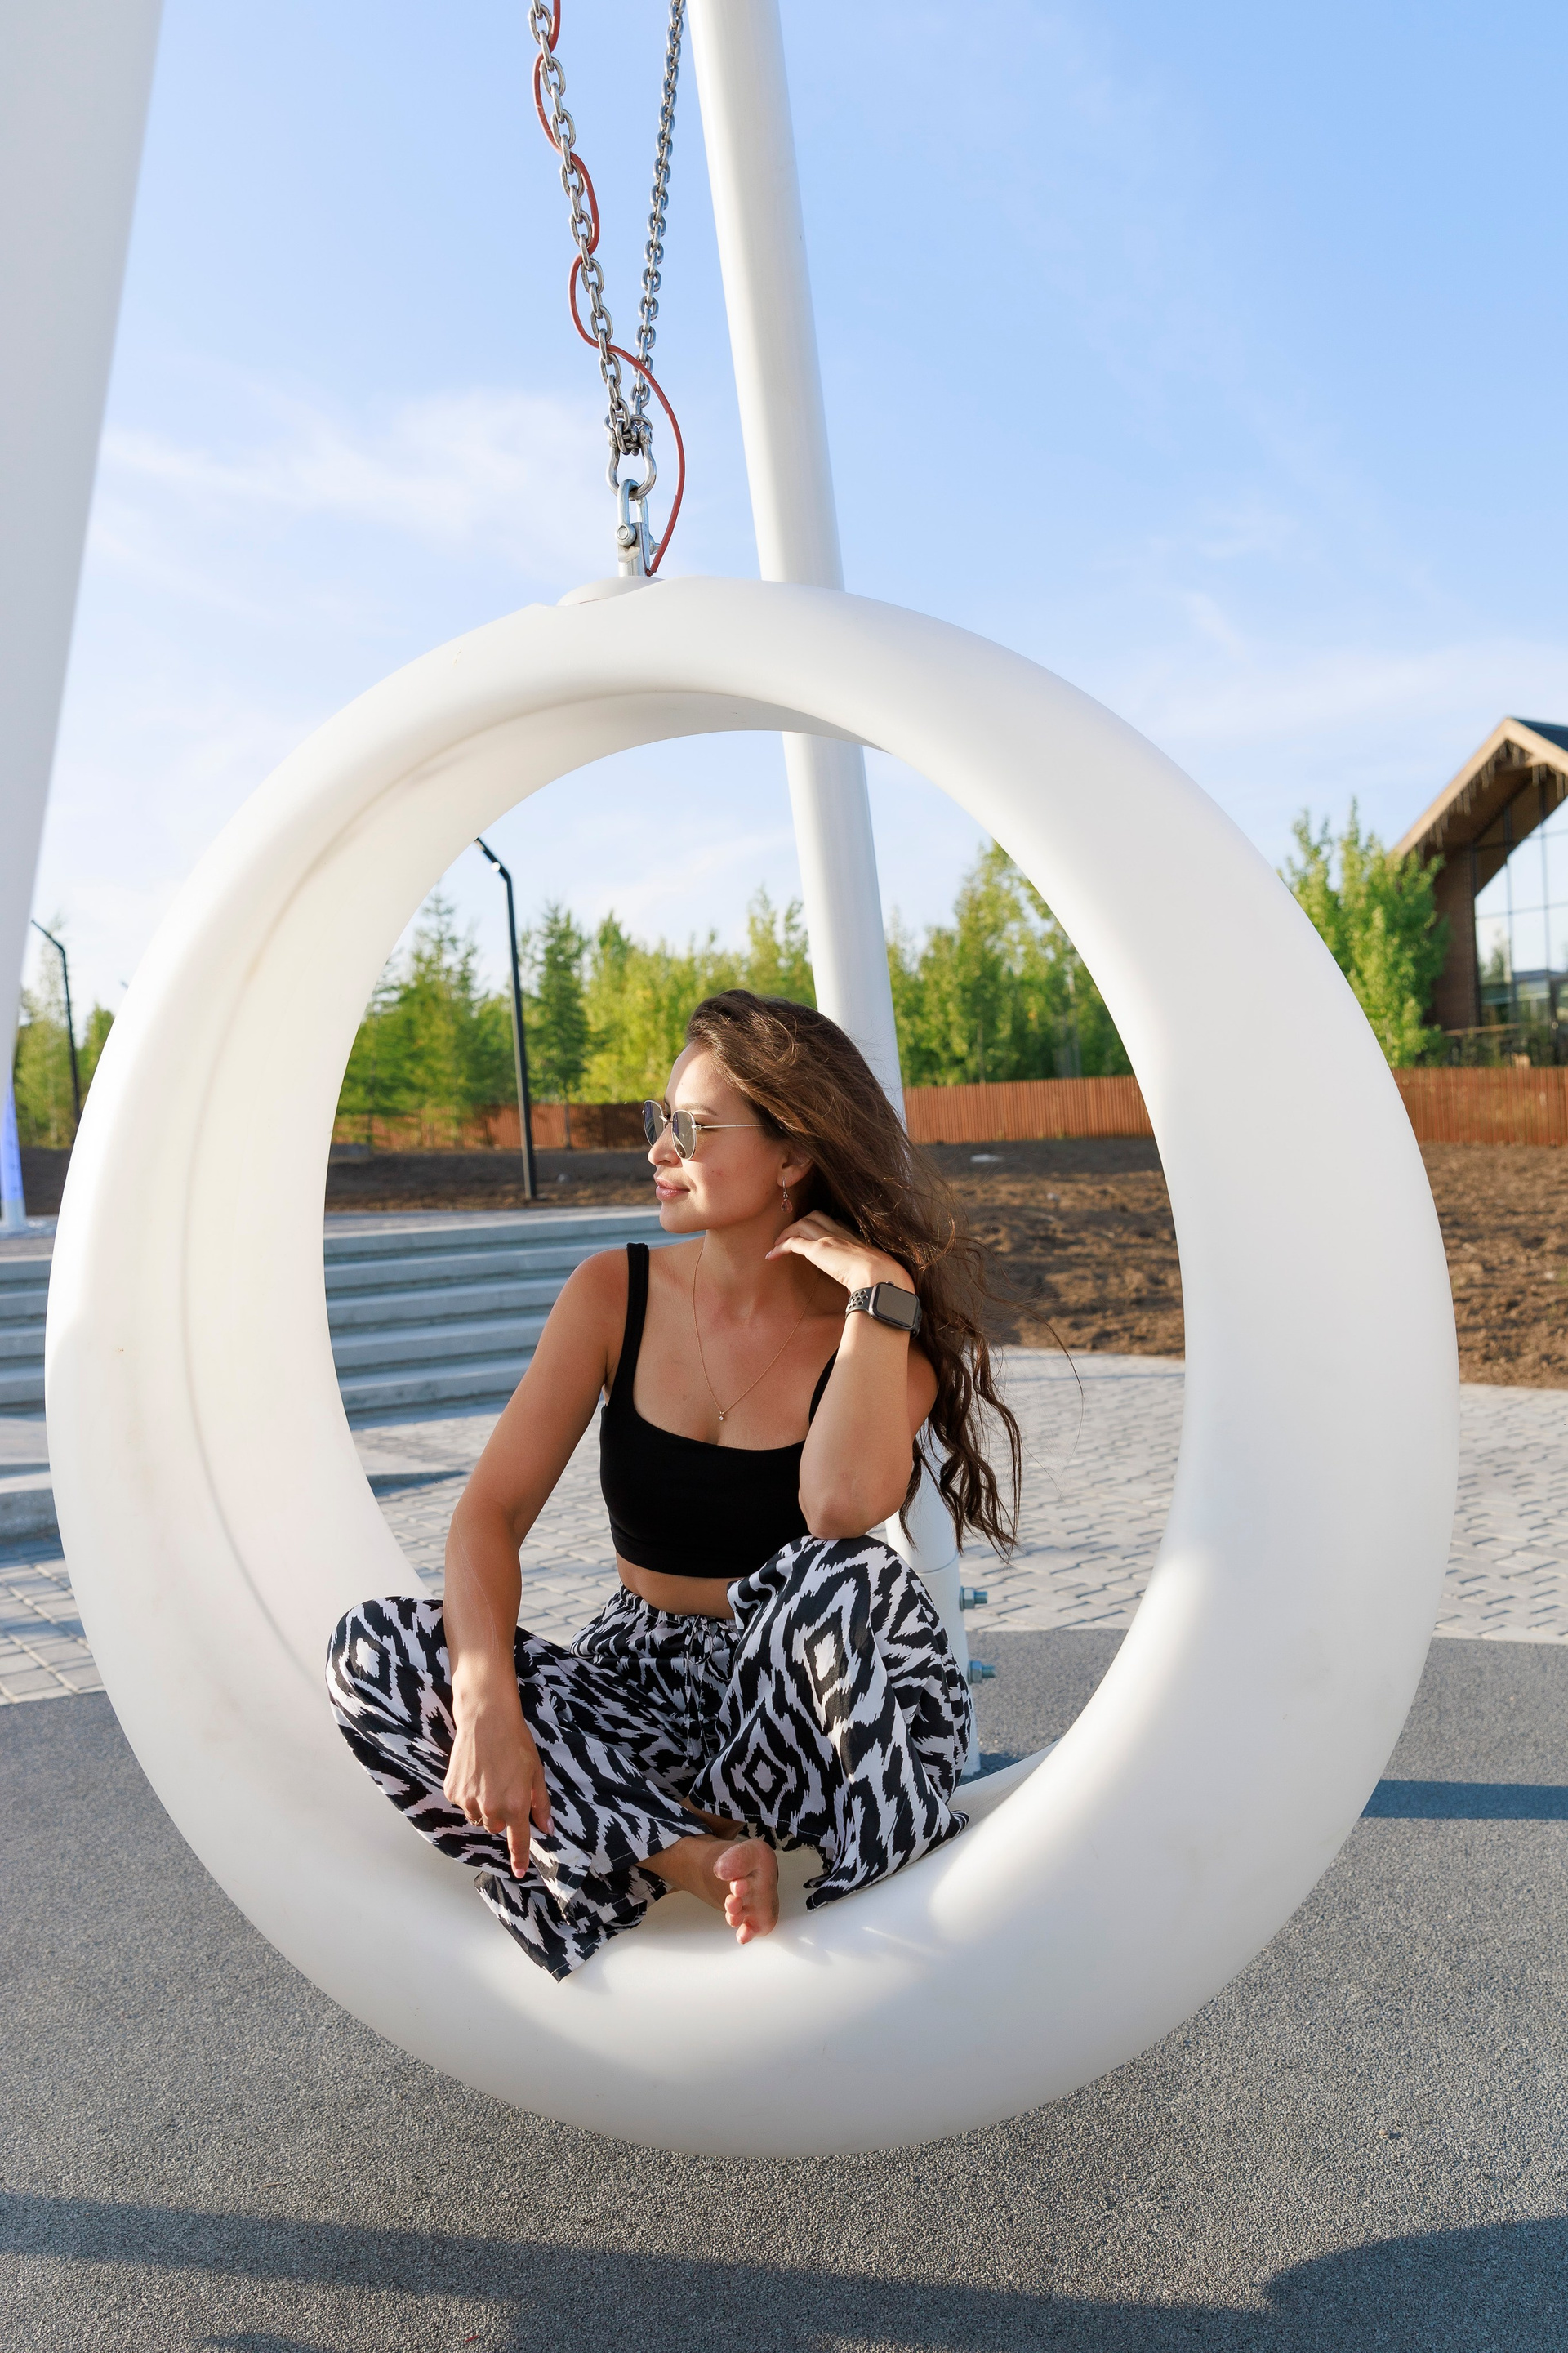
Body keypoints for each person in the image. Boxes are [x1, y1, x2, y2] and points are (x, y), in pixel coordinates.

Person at [327, 990, 1021, 1980]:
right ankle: (686, 1856)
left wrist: (878, 1296)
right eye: (662, 1120)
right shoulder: (614, 1292)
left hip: (800, 1706)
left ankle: (879, 1920)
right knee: (374, 1648)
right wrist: (485, 1700)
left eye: (692, 1128)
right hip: (636, 1696)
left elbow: (836, 1510)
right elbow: (490, 1513)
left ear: (792, 1156)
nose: (658, 1149)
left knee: (846, 1576)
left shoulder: (880, 1337)